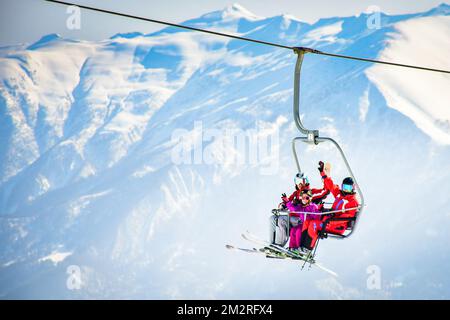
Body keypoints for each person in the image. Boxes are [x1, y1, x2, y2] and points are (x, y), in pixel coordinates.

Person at [300, 161, 360, 252]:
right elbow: (331, 185)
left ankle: (307, 249)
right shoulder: (340, 194)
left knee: (313, 224)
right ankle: (300, 246)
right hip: (329, 221)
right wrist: (323, 173)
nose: (346, 190)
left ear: (353, 188)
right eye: (344, 187)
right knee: (307, 222)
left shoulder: (352, 201)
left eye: (348, 188)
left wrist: (331, 221)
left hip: (337, 226)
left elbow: (346, 217)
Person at [286, 189, 320, 254]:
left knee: (299, 231)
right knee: (293, 230)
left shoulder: (313, 206)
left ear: (310, 198)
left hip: (308, 225)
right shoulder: (301, 206)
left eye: (306, 198)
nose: (304, 199)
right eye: (303, 197)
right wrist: (288, 202)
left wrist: (317, 211)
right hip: (302, 224)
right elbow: (294, 209)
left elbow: (316, 216)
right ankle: (292, 247)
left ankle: (299, 248)